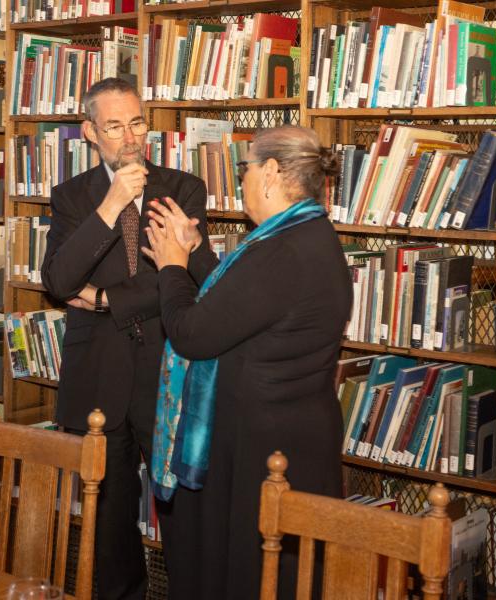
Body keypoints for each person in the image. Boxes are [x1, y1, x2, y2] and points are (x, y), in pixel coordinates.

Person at [142, 125, 352, 599]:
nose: (242, 180)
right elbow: (238, 307)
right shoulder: (303, 234)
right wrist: (194, 255)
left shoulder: (282, 250)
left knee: (252, 578)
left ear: (272, 173)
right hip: (285, 436)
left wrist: (171, 266)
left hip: (263, 452)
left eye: (246, 168)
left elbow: (193, 334)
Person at [41, 77, 217, 599]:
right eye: (114, 126)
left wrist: (103, 300)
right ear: (90, 132)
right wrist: (112, 203)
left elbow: (188, 275)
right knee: (109, 531)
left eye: (137, 122)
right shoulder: (73, 198)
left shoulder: (183, 188)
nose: (130, 137)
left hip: (169, 375)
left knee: (185, 521)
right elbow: (58, 280)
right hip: (99, 382)